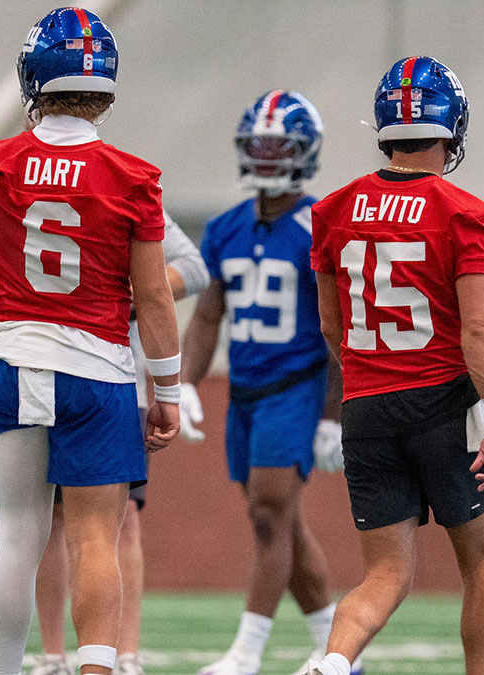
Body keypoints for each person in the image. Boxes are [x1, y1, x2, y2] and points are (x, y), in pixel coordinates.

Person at [0, 8, 182, 675]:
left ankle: (5, 671)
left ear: (34, 80)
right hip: (97, 369)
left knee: (18, 538)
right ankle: (96, 668)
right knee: (94, 537)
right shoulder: (133, 177)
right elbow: (154, 297)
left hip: (15, 357)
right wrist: (165, 388)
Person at [303, 56, 484, 675]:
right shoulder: (463, 211)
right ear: (450, 126)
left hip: (366, 407)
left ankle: (334, 663)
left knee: (385, 574)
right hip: (446, 403)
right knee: (481, 563)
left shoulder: (334, 210)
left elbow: (330, 326)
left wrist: (368, 384)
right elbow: (477, 329)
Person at [178, 91, 360, 675]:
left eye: (278, 146)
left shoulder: (319, 226)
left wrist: (333, 413)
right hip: (246, 390)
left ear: (305, 153)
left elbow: (339, 329)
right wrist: (182, 382)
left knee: (267, 513)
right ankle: (338, 648)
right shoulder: (224, 228)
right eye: (257, 146)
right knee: (280, 521)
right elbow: (208, 315)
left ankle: (246, 654)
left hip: (297, 384)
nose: (265, 156)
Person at [32, 211, 209, 675]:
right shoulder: (15, 179)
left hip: (114, 375)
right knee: (45, 521)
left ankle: (124, 653)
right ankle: (52, 654)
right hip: (40, 369)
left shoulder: (119, 187)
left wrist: (132, 291)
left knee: (122, 517)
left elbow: (193, 267)